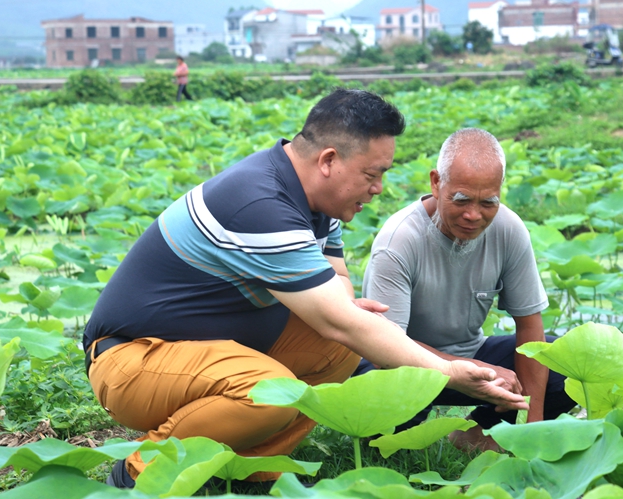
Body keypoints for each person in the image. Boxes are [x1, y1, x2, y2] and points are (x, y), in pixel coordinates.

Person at [83, 90, 529, 488]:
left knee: (340, 349)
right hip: (130, 360)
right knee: (271, 391)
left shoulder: (317, 203)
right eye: (372, 174)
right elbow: (339, 319)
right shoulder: (261, 203)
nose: (378, 189)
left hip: (204, 351)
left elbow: (339, 292)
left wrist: (347, 313)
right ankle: (139, 471)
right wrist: (447, 371)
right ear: (329, 160)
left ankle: (248, 467)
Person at [358, 127, 575, 452]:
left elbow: (530, 327)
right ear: (436, 182)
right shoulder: (398, 242)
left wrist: (533, 425)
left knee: (560, 360)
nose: (473, 215)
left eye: (488, 202)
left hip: (471, 355)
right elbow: (385, 349)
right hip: (400, 365)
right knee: (388, 434)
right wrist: (465, 371)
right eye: (461, 200)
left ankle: (475, 433)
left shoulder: (509, 229)